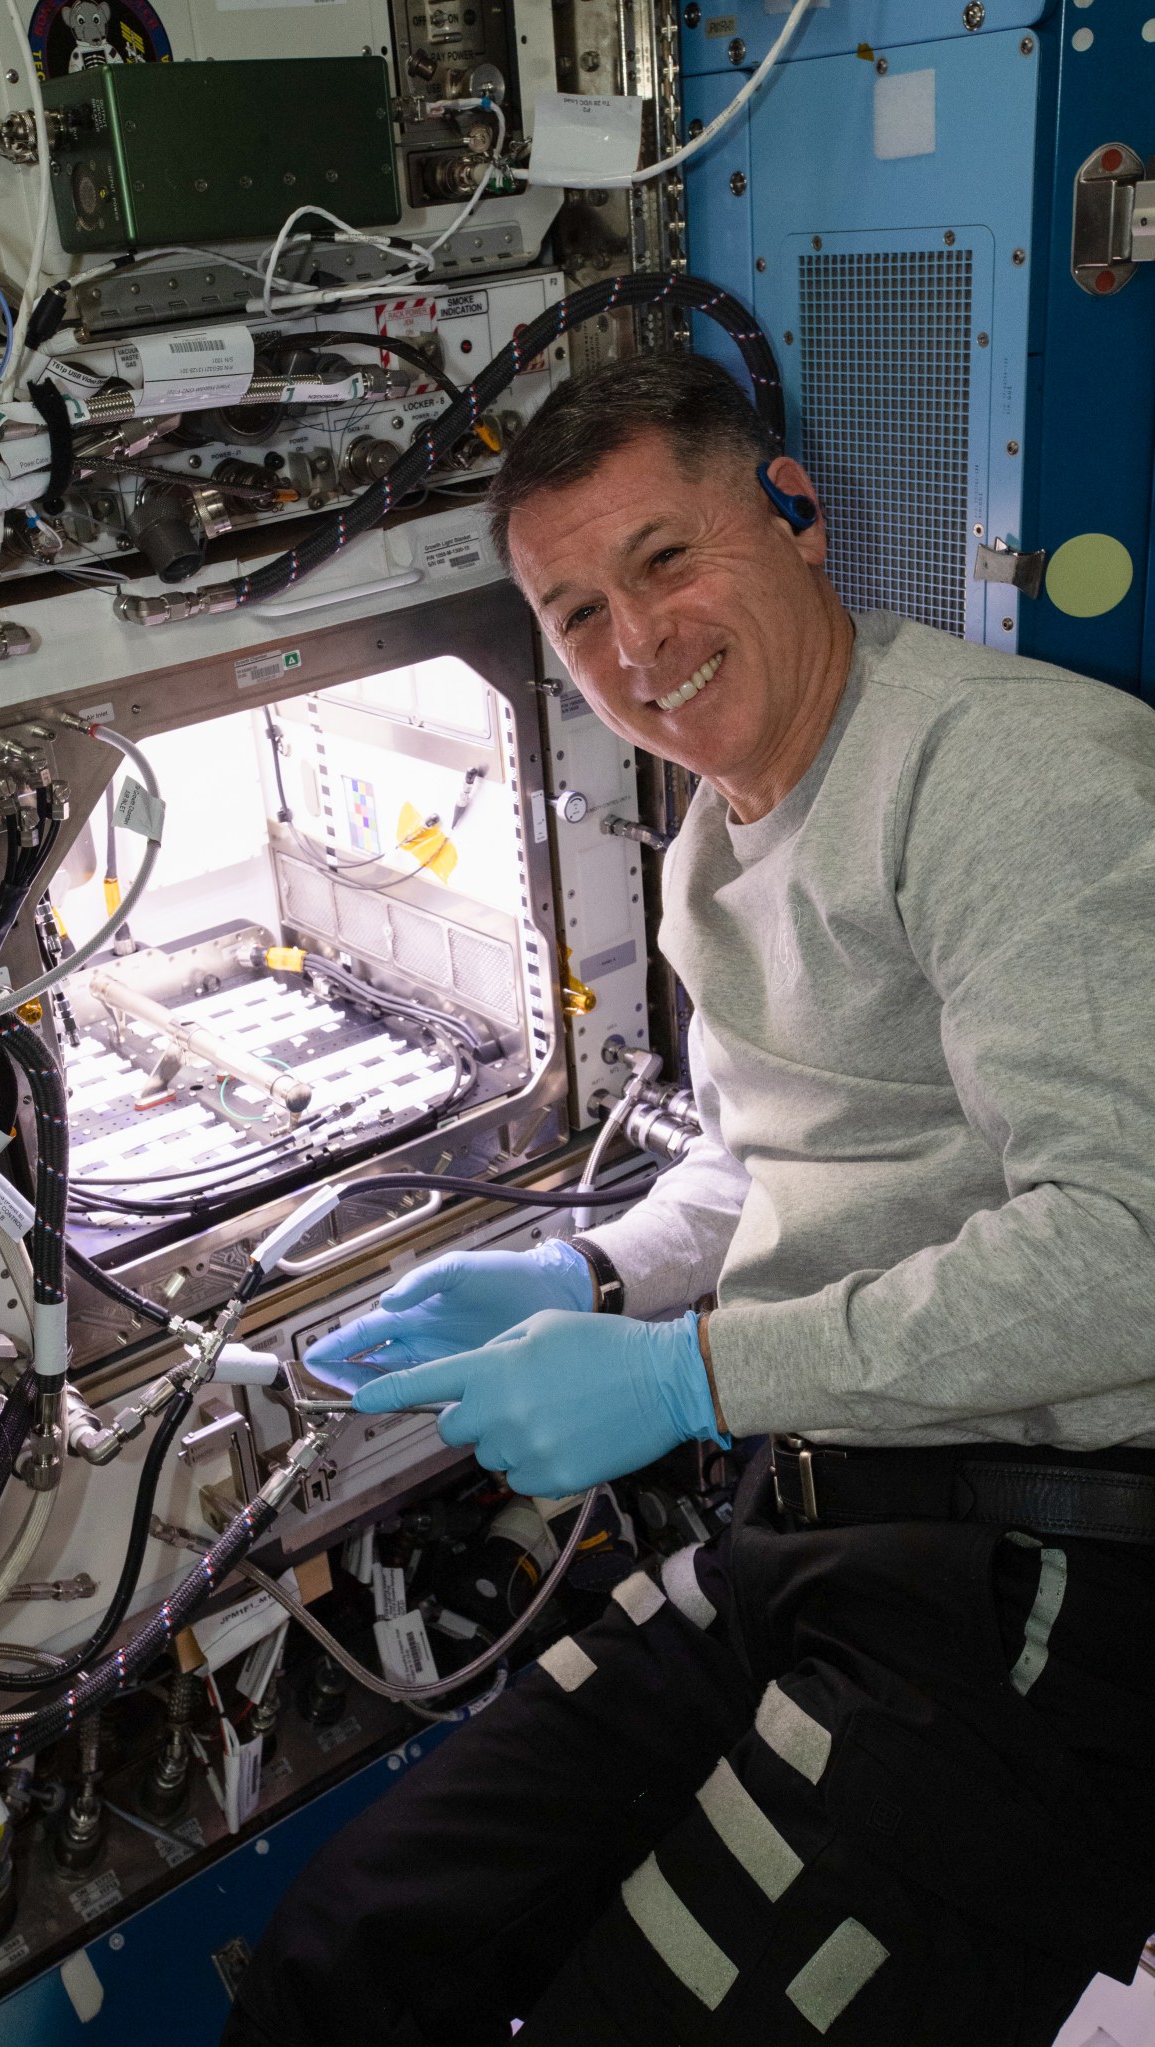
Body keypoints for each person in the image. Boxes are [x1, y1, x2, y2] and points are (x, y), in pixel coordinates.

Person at [223, 354, 1155, 2046]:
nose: (633, 647)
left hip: (1045, 1582)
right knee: (351, 1954)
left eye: (665, 560)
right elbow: (757, 1165)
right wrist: (592, 1274)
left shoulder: (1008, 780)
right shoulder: (715, 847)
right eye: (575, 613)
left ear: (794, 516)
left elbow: (1132, 1255)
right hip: (813, 1529)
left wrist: (689, 1379)